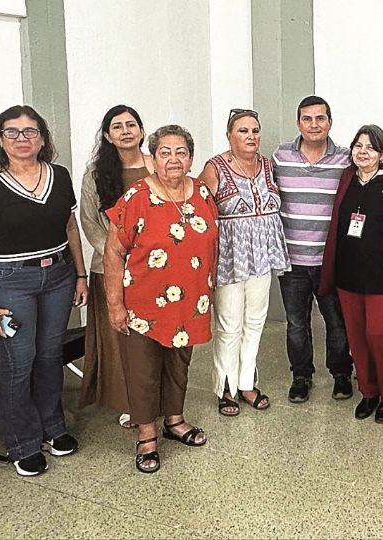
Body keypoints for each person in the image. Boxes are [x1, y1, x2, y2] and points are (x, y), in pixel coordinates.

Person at [0, 105, 88, 477]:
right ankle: (21, 441)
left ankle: (53, 428)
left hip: (58, 276)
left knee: (50, 355)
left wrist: (81, 275)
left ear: (43, 138)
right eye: (12, 132)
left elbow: (70, 228)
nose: (22, 139)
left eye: (30, 131)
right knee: (19, 361)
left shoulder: (60, 176)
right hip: (9, 281)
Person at [103, 124, 216, 473]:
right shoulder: (137, 197)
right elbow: (113, 253)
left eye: (180, 152)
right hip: (144, 305)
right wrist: (115, 304)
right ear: (153, 159)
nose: (173, 159)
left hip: (191, 302)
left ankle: (175, 420)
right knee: (144, 370)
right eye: (165, 152)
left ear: (191, 158)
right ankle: (147, 434)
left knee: (179, 364)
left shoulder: (202, 193)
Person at [319, 124, 383, 424]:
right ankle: (368, 391)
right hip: (349, 278)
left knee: (382, 337)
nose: (362, 152)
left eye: (370, 147)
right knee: (358, 339)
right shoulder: (347, 178)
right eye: (358, 146)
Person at [199, 109, 291, 416]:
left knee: (256, 320)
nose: (250, 136)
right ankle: (225, 385)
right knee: (229, 323)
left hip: (262, 254)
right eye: (243, 131)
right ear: (229, 135)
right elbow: (197, 208)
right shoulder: (215, 167)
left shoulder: (267, 164)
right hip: (229, 256)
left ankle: (247, 381)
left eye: (255, 130)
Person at [272, 96, 354, 403]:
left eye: (320, 118)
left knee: (336, 322)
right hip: (291, 260)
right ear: (298, 124)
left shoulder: (346, 158)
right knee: (296, 324)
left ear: (330, 122)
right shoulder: (280, 157)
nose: (314, 124)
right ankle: (301, 376)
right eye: (307, 119)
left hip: (331, 261)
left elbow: (377, 167)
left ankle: (341, 373)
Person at [79, 105, 154, 428]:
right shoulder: (95, 174)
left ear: (141, 130)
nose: (125, 130)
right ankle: (128, 402)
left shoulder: (156, 166)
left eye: (131, 124)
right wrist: (116, 257)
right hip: (110, 268)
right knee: (120, 337)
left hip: (154, 269)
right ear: (108, 135)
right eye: (117, 126)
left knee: (152, 337)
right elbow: (89, 222)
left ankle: (154, 395)